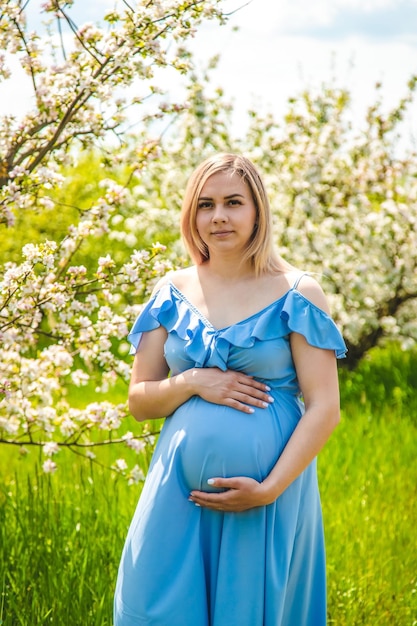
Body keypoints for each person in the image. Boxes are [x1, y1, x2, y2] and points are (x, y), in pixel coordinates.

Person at [114, 153, 347, 626]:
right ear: (191, 215)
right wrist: (195, 380)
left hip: (267, 496)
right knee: (151, 607)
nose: (218, 216)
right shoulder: (171, 292)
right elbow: (139, 401)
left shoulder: (298, 292)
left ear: (257, 211)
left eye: (233, 202)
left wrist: (268, 489)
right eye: (205, 204)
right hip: (176, 493)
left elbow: (324, 407)